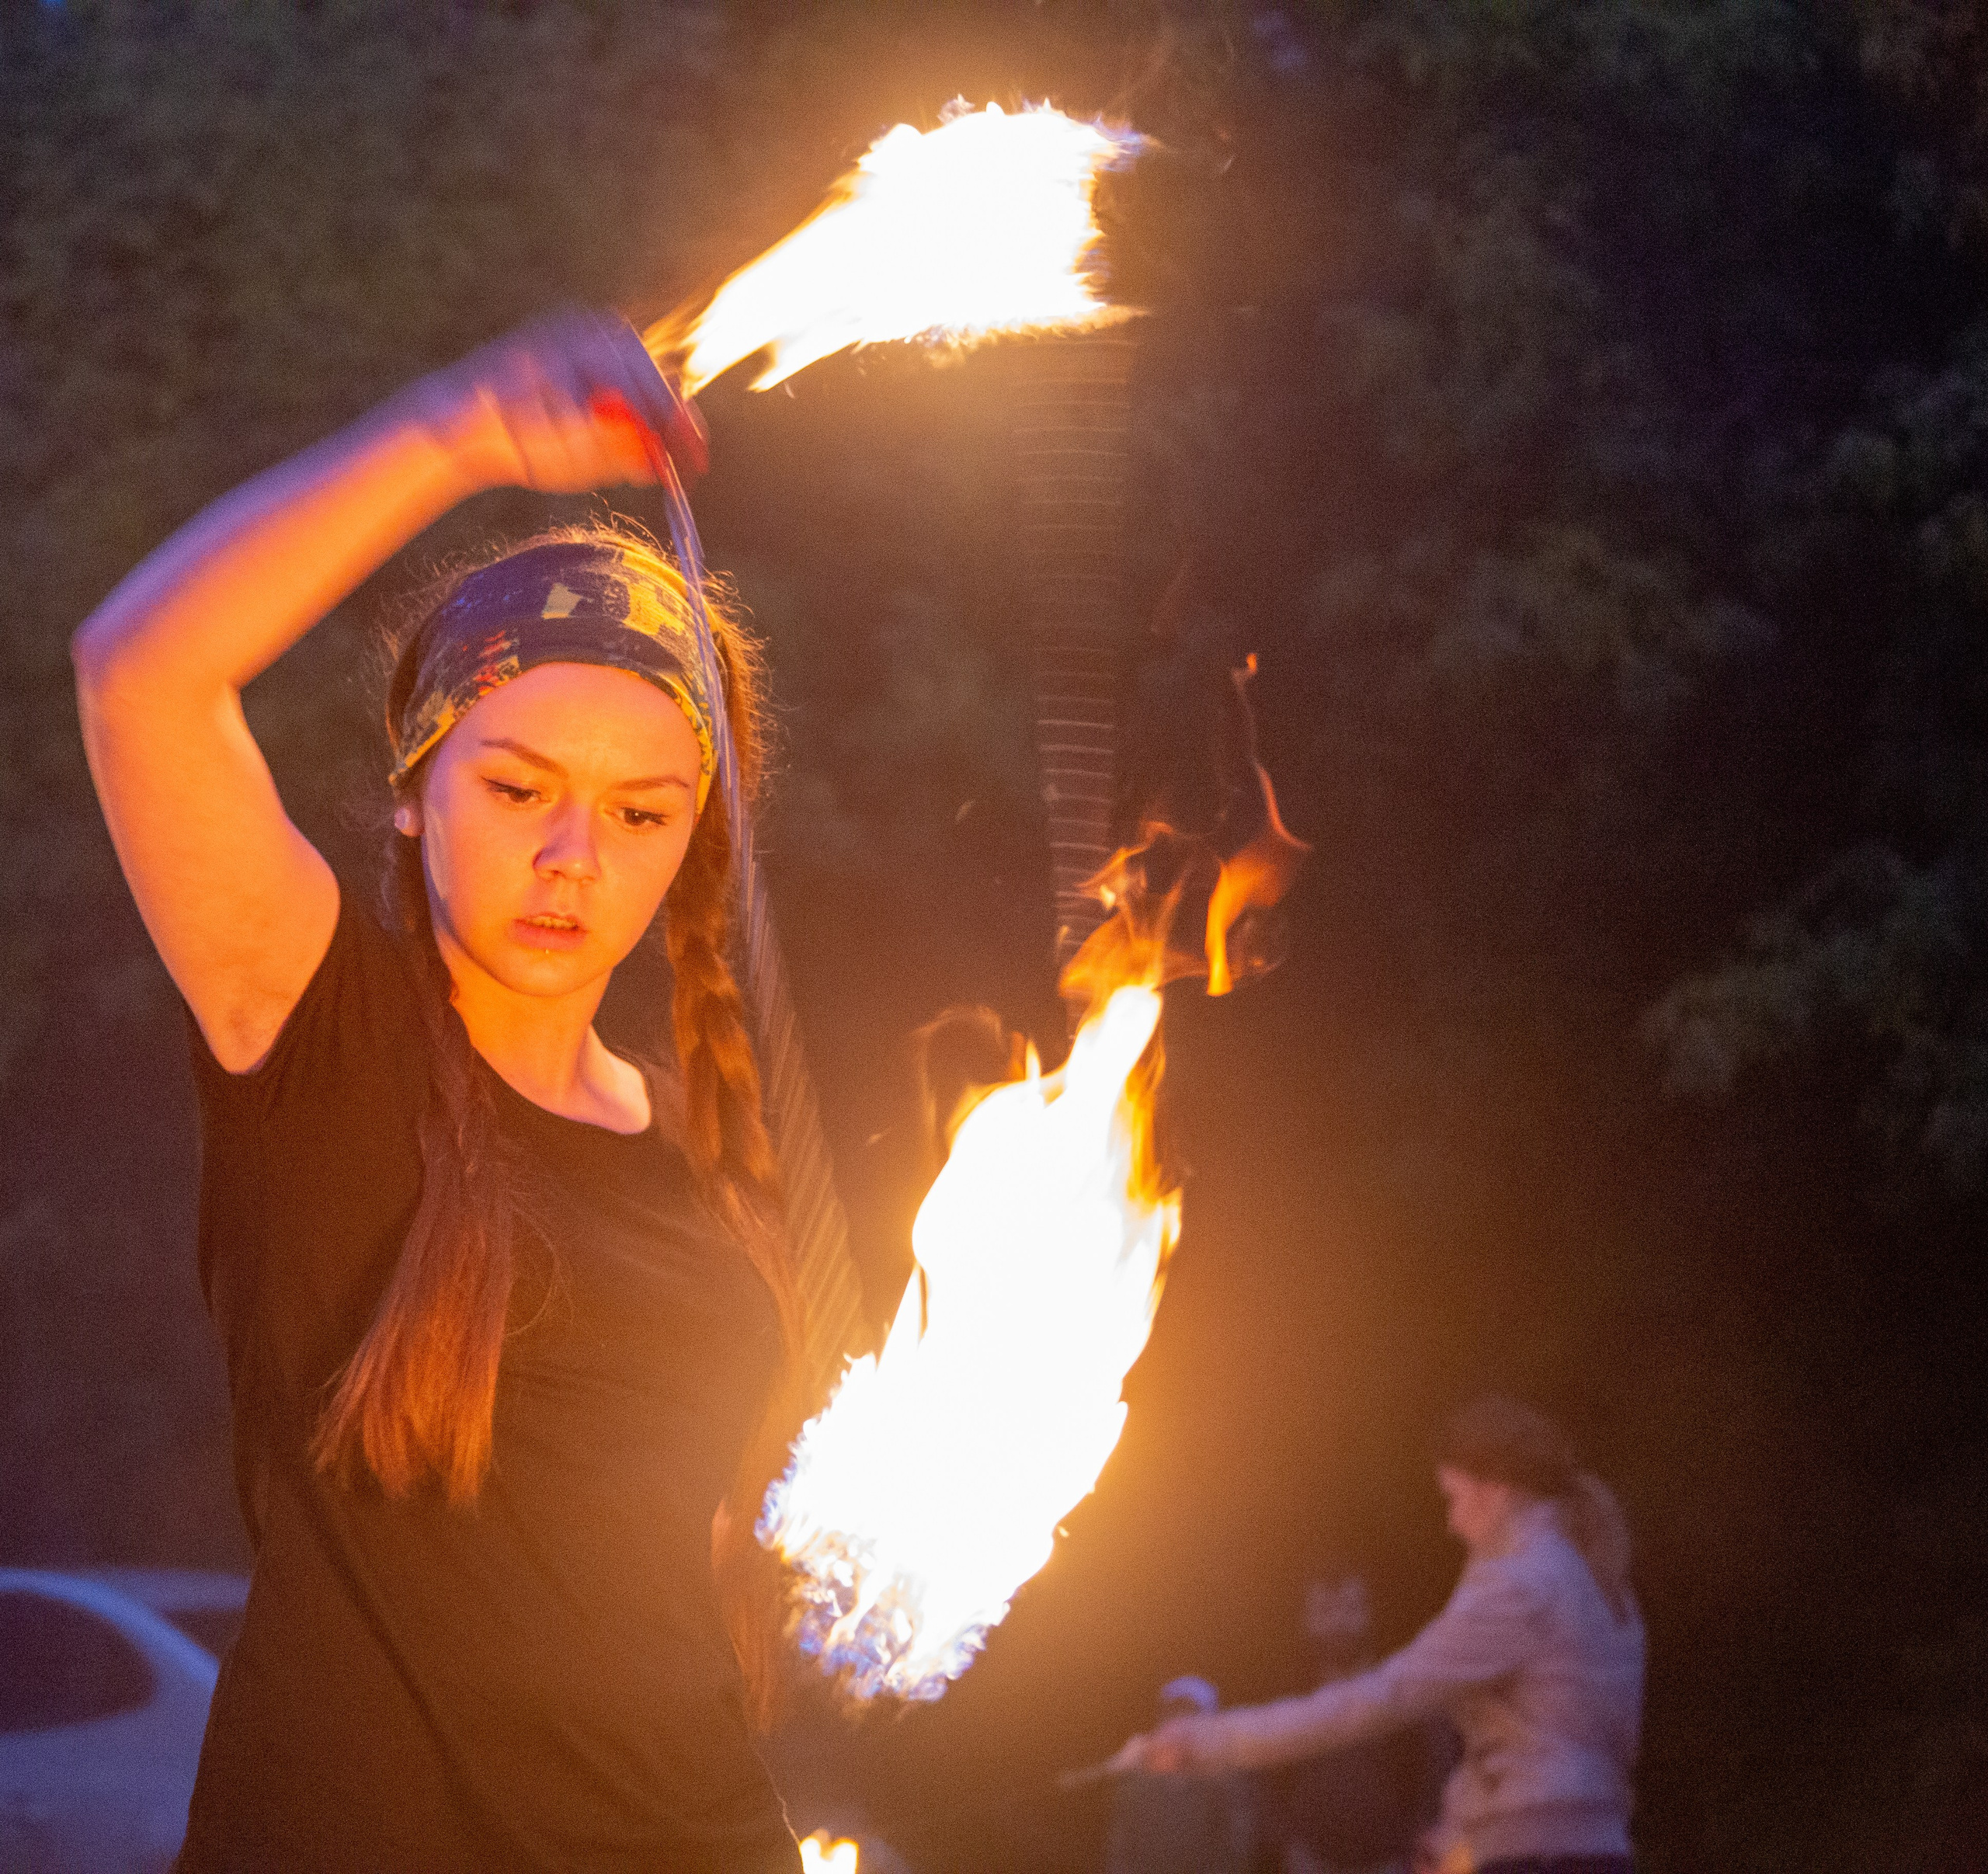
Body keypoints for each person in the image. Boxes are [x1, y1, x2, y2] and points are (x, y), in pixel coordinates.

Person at [72, 310, 808, 1871]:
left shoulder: (694, 1135)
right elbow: (138, 672)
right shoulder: (321, 1039)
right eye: (517, 786)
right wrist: (460, 433)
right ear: (413, 791)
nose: (571, 857)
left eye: (639, 811)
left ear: (693, 838)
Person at [1117, 1397, 1645, 1874]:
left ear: (1495, 1491)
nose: (1452, 1522)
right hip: (1589, 1851)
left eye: (1453, 1497)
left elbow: (1379, 1699)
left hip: (1539, 1861)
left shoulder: (1521, 1585)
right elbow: (1556, 1740)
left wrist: (1208, 1740)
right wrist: (1459, 1832)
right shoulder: (1593, 1574)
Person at [1265, 1573, 1448, 1874]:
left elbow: (1436, 1773)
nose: (1337, 1624)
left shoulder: (1402, 1692)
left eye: (1350, 1609)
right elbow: (1264, 1786)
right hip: (1308, 1864)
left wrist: (1416, 1848)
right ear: (1305, 1621)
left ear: (1371, 1614)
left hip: (1392, 1864)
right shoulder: (1286, 1701)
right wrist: (1288, 1847)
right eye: (1325, 1611)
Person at [1106, 1677, 1256, 1874]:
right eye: (1172, 1713)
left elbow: (1236, 1851)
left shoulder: (1227, 1780)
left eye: (1190, 1714)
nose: (1179, 1722)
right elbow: (1120, 1849)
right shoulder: (1138, 1778)